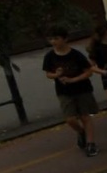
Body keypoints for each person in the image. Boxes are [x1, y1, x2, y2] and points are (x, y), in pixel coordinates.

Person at [42, 28, 103, 156]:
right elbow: (48, 74)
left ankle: (91, 143)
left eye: (56, 38)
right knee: (70, 119)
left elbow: (88, 71)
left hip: (82, 89)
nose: (53, 42)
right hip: (63, 91)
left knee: (85, 116)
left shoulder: (76, 55)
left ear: (65, 39)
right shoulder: (49, 56)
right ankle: (81, 132)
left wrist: (74, 79)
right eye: (51, 39)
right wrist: (56, 75)